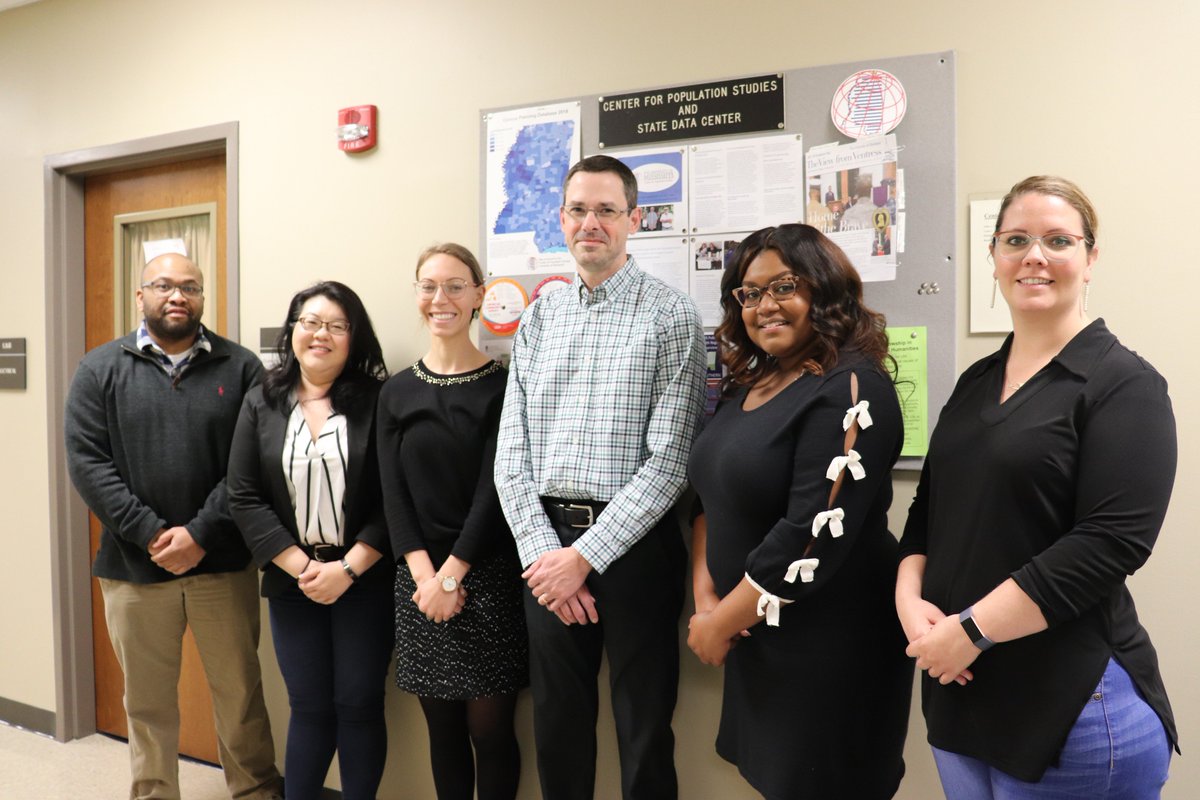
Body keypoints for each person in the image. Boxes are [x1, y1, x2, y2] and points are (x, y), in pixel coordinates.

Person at [897, 176, 1178, 798]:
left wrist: (970, 631)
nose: (1035, 256)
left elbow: (1110, 544)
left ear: (1091, 257)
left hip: (1070, 707)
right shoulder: (976, 381)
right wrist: (908, 602)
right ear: (994, 256)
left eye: (1058, 240)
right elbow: (927, 511)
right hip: (959, 692)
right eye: (1016, 240)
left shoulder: (1124, 384)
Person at [495, 154, 707, 800]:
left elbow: (670, 462)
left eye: (607, 210)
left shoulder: (671, 315)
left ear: (633, 219)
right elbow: (511, 454)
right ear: (561, 218)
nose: (591, 223)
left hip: (637, 549)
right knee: (557, 726)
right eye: (579, 210)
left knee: (644, 727)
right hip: (546, 547)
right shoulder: (541, 316)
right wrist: (547, 557)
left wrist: (583, 558)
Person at [686, 224, 912, 799]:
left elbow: (809, 535)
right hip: (755, 631)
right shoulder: (753, 382)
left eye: (783, 286)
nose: (764, 305)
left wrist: (720, 622)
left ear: (825, 290)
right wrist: (708, 602)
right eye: (749, 293)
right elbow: (707, 500)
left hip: (829, 642)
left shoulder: (853, 387)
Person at [64, 252, 282, 800]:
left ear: (203, 297)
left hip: (223, 564)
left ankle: (255, 790)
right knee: (147, 703)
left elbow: (249, 463)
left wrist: (201, 534)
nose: (177, 295)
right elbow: (88, 465)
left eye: (190, 286)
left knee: (240, 695)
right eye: (163, 285)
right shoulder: (98, 369)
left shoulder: (241, 368)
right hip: (134, 568)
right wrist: (151, 534)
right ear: (140, 296)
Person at [226, 281, 394, 800]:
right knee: (309, 706)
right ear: (293, 330)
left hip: (364, 578)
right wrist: (303, 568)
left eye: (337, 326)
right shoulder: (261, 401)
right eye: (311, 322)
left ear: (353, 338)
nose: (321, 334)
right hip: (291, 579)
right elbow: (243, 496)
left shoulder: (379, 401)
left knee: (359, 704)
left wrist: (347, 569)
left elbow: (395, 497)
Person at [377, 243, 528, 800]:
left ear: (479, 296)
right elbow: (393, 495)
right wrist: (426, 579)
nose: (440, 298)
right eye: (429, 286)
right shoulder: (396, 391)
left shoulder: (503, 386)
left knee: (490, 732)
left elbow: (495, 490)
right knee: (441, 731)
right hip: (417, 583)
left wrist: (451, 577)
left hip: (487, 575)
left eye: (455, 286)